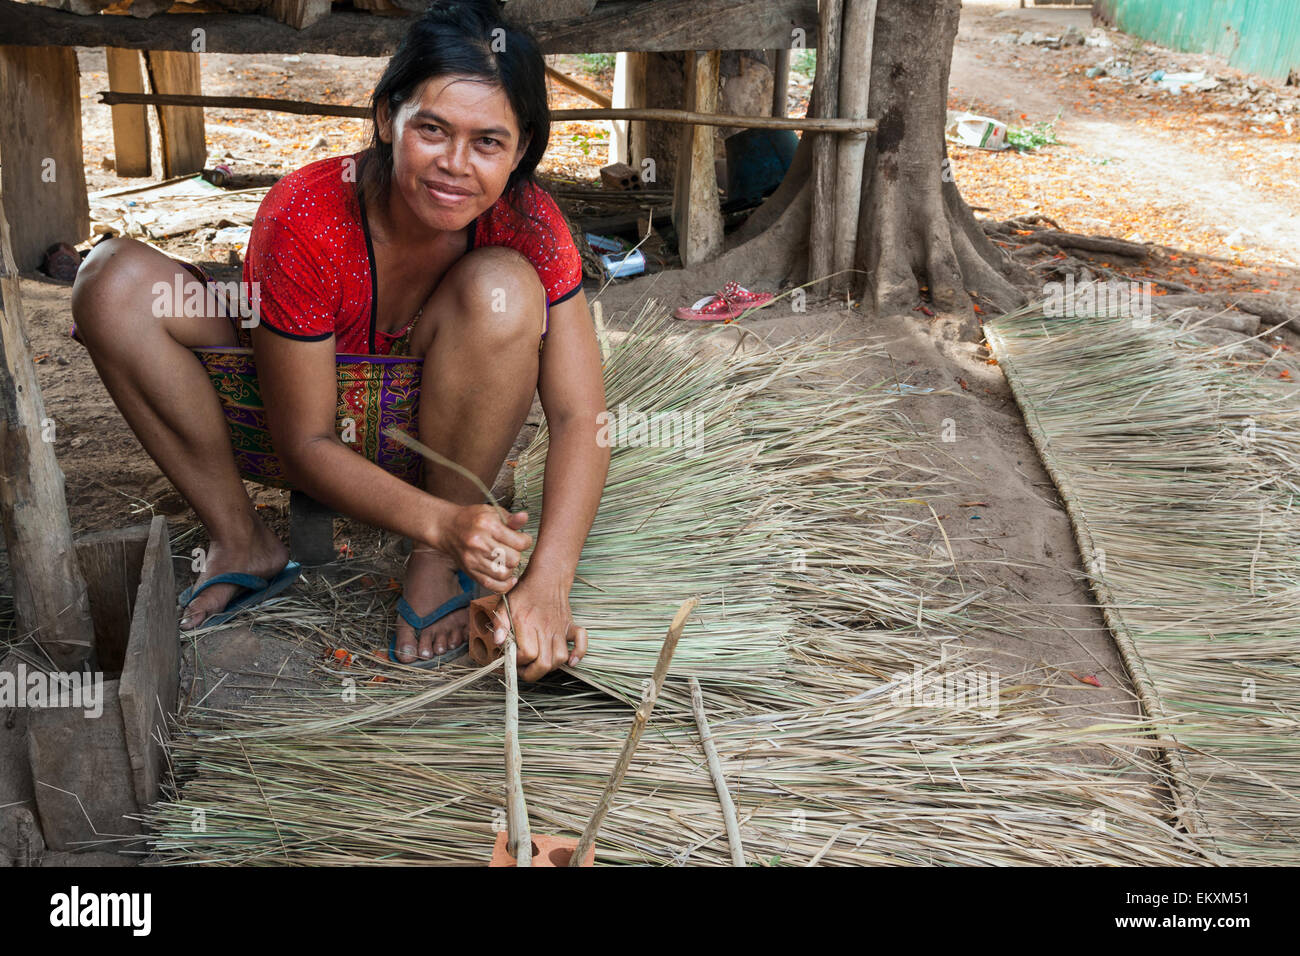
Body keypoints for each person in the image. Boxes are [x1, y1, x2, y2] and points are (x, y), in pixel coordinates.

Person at [69, 0, 610, 681]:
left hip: (429, 433)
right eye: (432, 130)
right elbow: (306, 443)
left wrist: (548, 584)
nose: (454, 165)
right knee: (107, 281)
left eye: (488, 143)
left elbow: (580, 417)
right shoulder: (308, 214)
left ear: (523, 147)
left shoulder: (528, 222)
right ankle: (242, 540)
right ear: (387, 118)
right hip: (281, 425)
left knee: (503, 289)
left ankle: (434, 568)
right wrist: (447, 522)